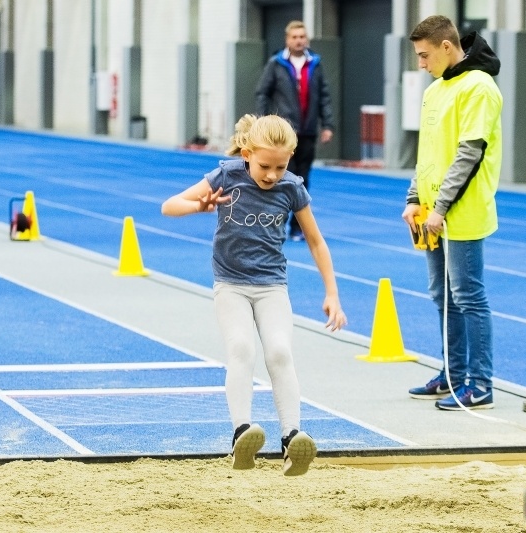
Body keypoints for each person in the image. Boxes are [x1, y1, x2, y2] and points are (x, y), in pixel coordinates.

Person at [161, 114, 347, 476]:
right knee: (242, 350)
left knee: (279, 352)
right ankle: (241, 434)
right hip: (230, 284)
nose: (272, 175)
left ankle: (292, 439)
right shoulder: (226, 177)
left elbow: (315, 240)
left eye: (281, 166)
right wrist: (199, 206)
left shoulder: (292, 188)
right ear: (246, 153)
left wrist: (332, 293)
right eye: (265, 166)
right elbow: (169, 206)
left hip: (272, 286)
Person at [401, 16, 503, 410]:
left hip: (461, 211)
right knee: (443, 296)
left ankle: (480, 384)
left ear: (447, 47)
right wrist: (414, 197)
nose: (421, 64)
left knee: (468, 296)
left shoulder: (479, 87)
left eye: (425, 55)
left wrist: (441, 207)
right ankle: (453, 374)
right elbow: (427, 153)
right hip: (431, 212)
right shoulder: (436, 90)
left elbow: (469, 154)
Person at [256, 20, 335, 242]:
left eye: (302, 37)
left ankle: (297, 226)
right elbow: (262, 93)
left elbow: (324, 97)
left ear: (306, 39)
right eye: (295, 37)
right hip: (283, 134)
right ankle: (276, 223)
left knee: (302, 179)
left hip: (308, 130)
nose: (299, 41)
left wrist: (327, 124)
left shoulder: (315, 64)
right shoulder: (276, 64)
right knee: (281, 177)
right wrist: (263, 123)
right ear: (287, 39)